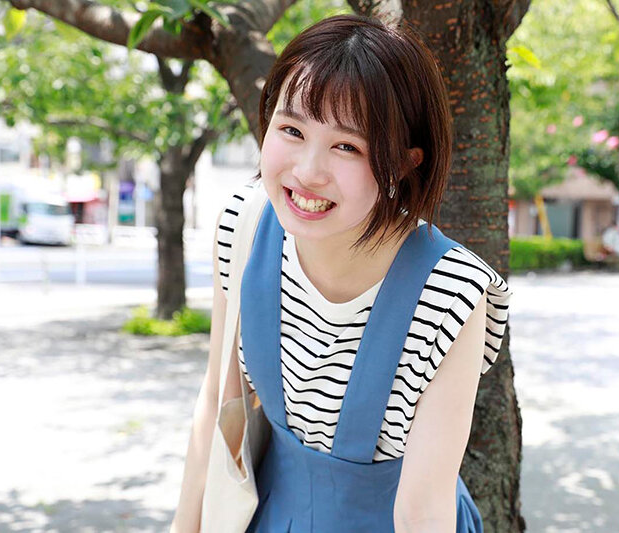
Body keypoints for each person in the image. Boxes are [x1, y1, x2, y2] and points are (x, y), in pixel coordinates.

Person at [170, 14, 512, 533]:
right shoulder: (244, 223)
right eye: (292, 130)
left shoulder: (453, 293)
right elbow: (219, 402)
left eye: (347, 146)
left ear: (404, 162)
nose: (308, 171)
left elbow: (422, 511)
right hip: (266, 515)